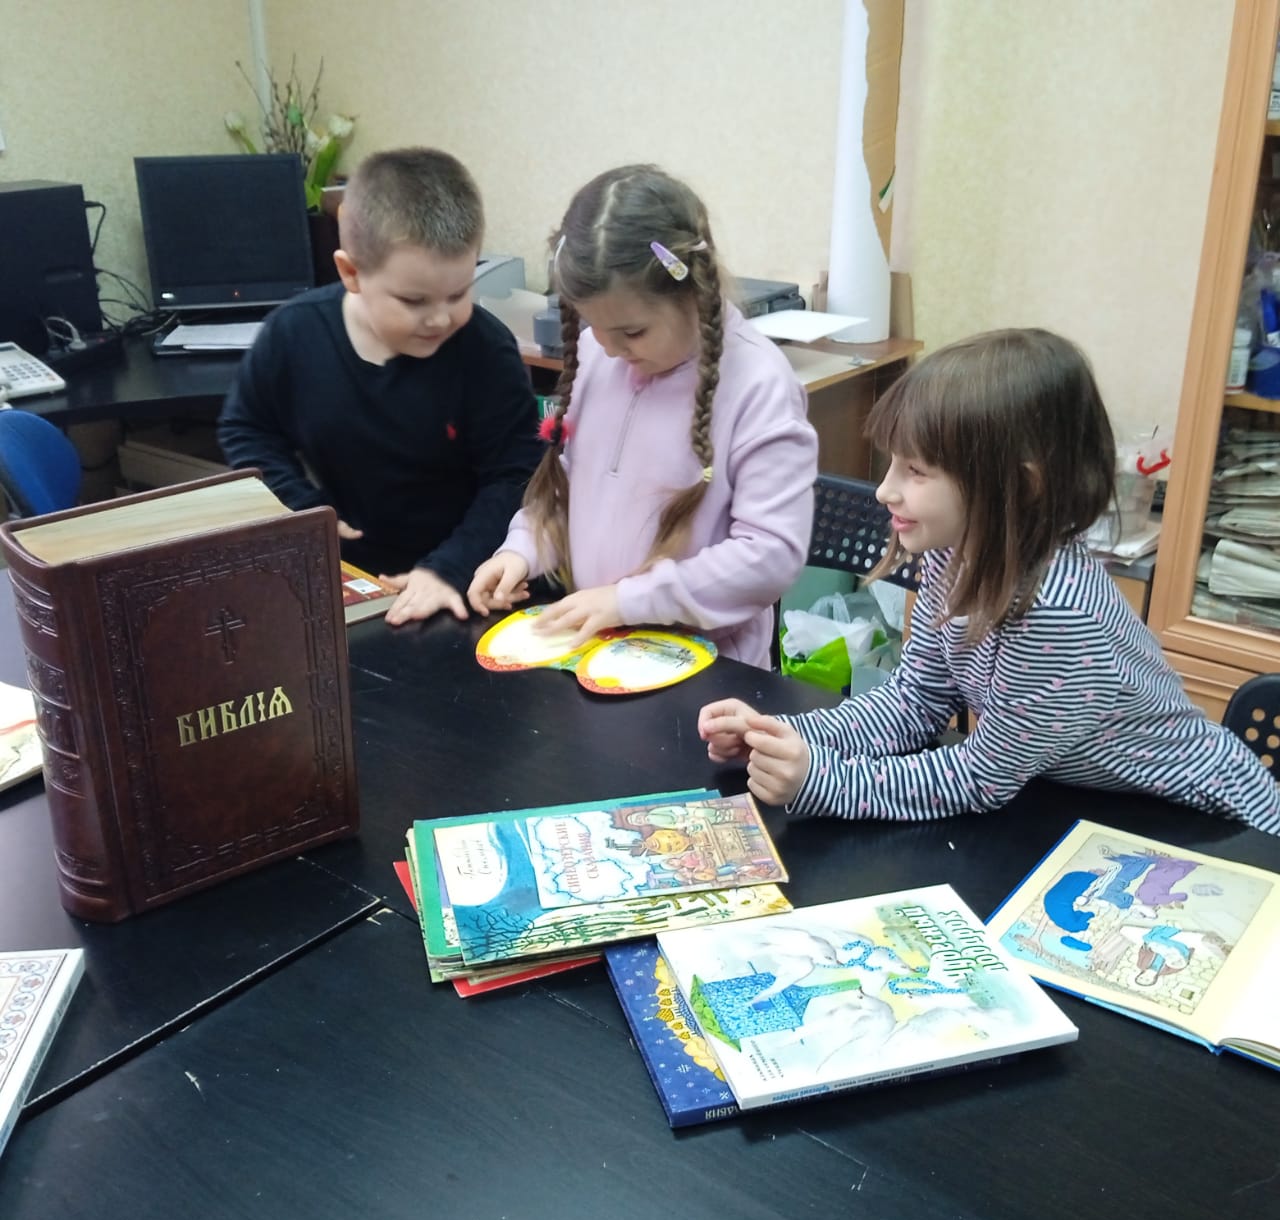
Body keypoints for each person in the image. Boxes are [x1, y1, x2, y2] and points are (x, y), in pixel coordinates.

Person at [697, 328, 1280, 836]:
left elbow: (981, 778)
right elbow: (914, 702)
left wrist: (821, 780)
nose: (885, 490)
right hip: (1096, 807)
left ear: (1019, 487)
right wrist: (780, 735)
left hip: (1216, 826)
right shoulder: (952, 552)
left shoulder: (1056, 614)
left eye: (916, 470)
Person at [466, 164, 817, 668]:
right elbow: (570, 484)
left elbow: (770, 555)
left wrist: (628, 601)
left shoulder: (760, 386)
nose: (610, 349)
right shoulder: (599, 355)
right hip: (599, 652)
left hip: (706, 674)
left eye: (632, 332)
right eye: (593, 326)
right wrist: (521, 550)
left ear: (692, 292)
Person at [217, 147, 542, 625]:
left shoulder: (485, 350)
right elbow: (247, 429)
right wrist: (304, 511)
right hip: (352, 580)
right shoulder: (294, 333)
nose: (440, 318)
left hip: (470, 580)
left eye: (458, 293)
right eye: (413, 300)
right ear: (351, 273)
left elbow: (515, 476)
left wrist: (448, 569)